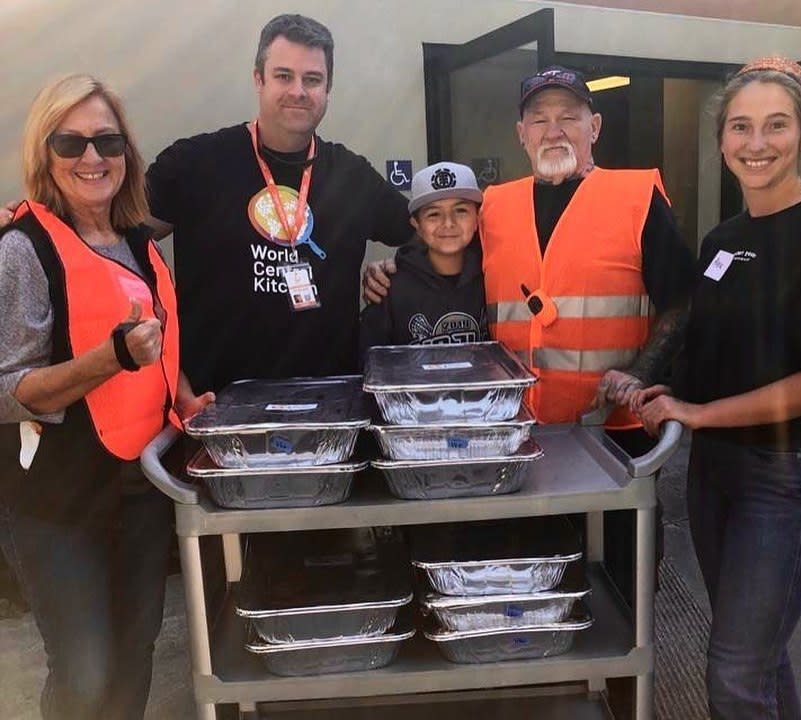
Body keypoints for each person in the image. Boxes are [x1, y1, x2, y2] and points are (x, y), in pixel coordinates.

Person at [364, 66, 696, 604]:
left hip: (613, 431)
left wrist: (640, 374)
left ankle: (619, 682)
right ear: (521, 134)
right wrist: (387, 271)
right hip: (515, 431)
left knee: (622, 576)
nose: (554, 129)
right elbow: (441, 254)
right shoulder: (494, 206)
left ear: (596, 126)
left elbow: (684, 299)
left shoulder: (637, 198)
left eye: (569, 116)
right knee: (529, 564)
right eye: (539, 118)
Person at [635, 57, 801, 719]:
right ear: (720, 139)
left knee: (734, 675)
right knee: (757, 656)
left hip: (786, 475)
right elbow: (708, 340)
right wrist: (653, 383)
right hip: (716, 470)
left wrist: (699, 413)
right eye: (740, 126)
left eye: (774, 125)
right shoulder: (722, 239)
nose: (755, 143)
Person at [0, 74, 212, 720]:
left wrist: (184, 398)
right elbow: (7, 391)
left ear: (127, 153)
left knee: (135, 656)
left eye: (107, 141)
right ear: (45, 154)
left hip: (141, 491)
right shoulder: (22, 250)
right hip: (57, 505)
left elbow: (156, 350)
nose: (92, 158)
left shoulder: (142, 244)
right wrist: (107, 359)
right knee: (86, 674)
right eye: (71, 142)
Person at [145, 13, 413, 395]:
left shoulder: (352, 177)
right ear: (259, 79)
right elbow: (121, 247)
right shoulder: (194, 164)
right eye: (284, 76)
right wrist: (168, 365)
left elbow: (429, 233)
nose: (298, 91)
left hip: (327, 406)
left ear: (328, 88)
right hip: (216, 404)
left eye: (313, 79)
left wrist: (396, 269)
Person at [358, 161, 487, 354]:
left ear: (477, 219)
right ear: (416, 224)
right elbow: (371, 363)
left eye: (461, 211)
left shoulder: (493, 278)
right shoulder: (388, 288)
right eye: (434, 214)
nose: (448, 223)